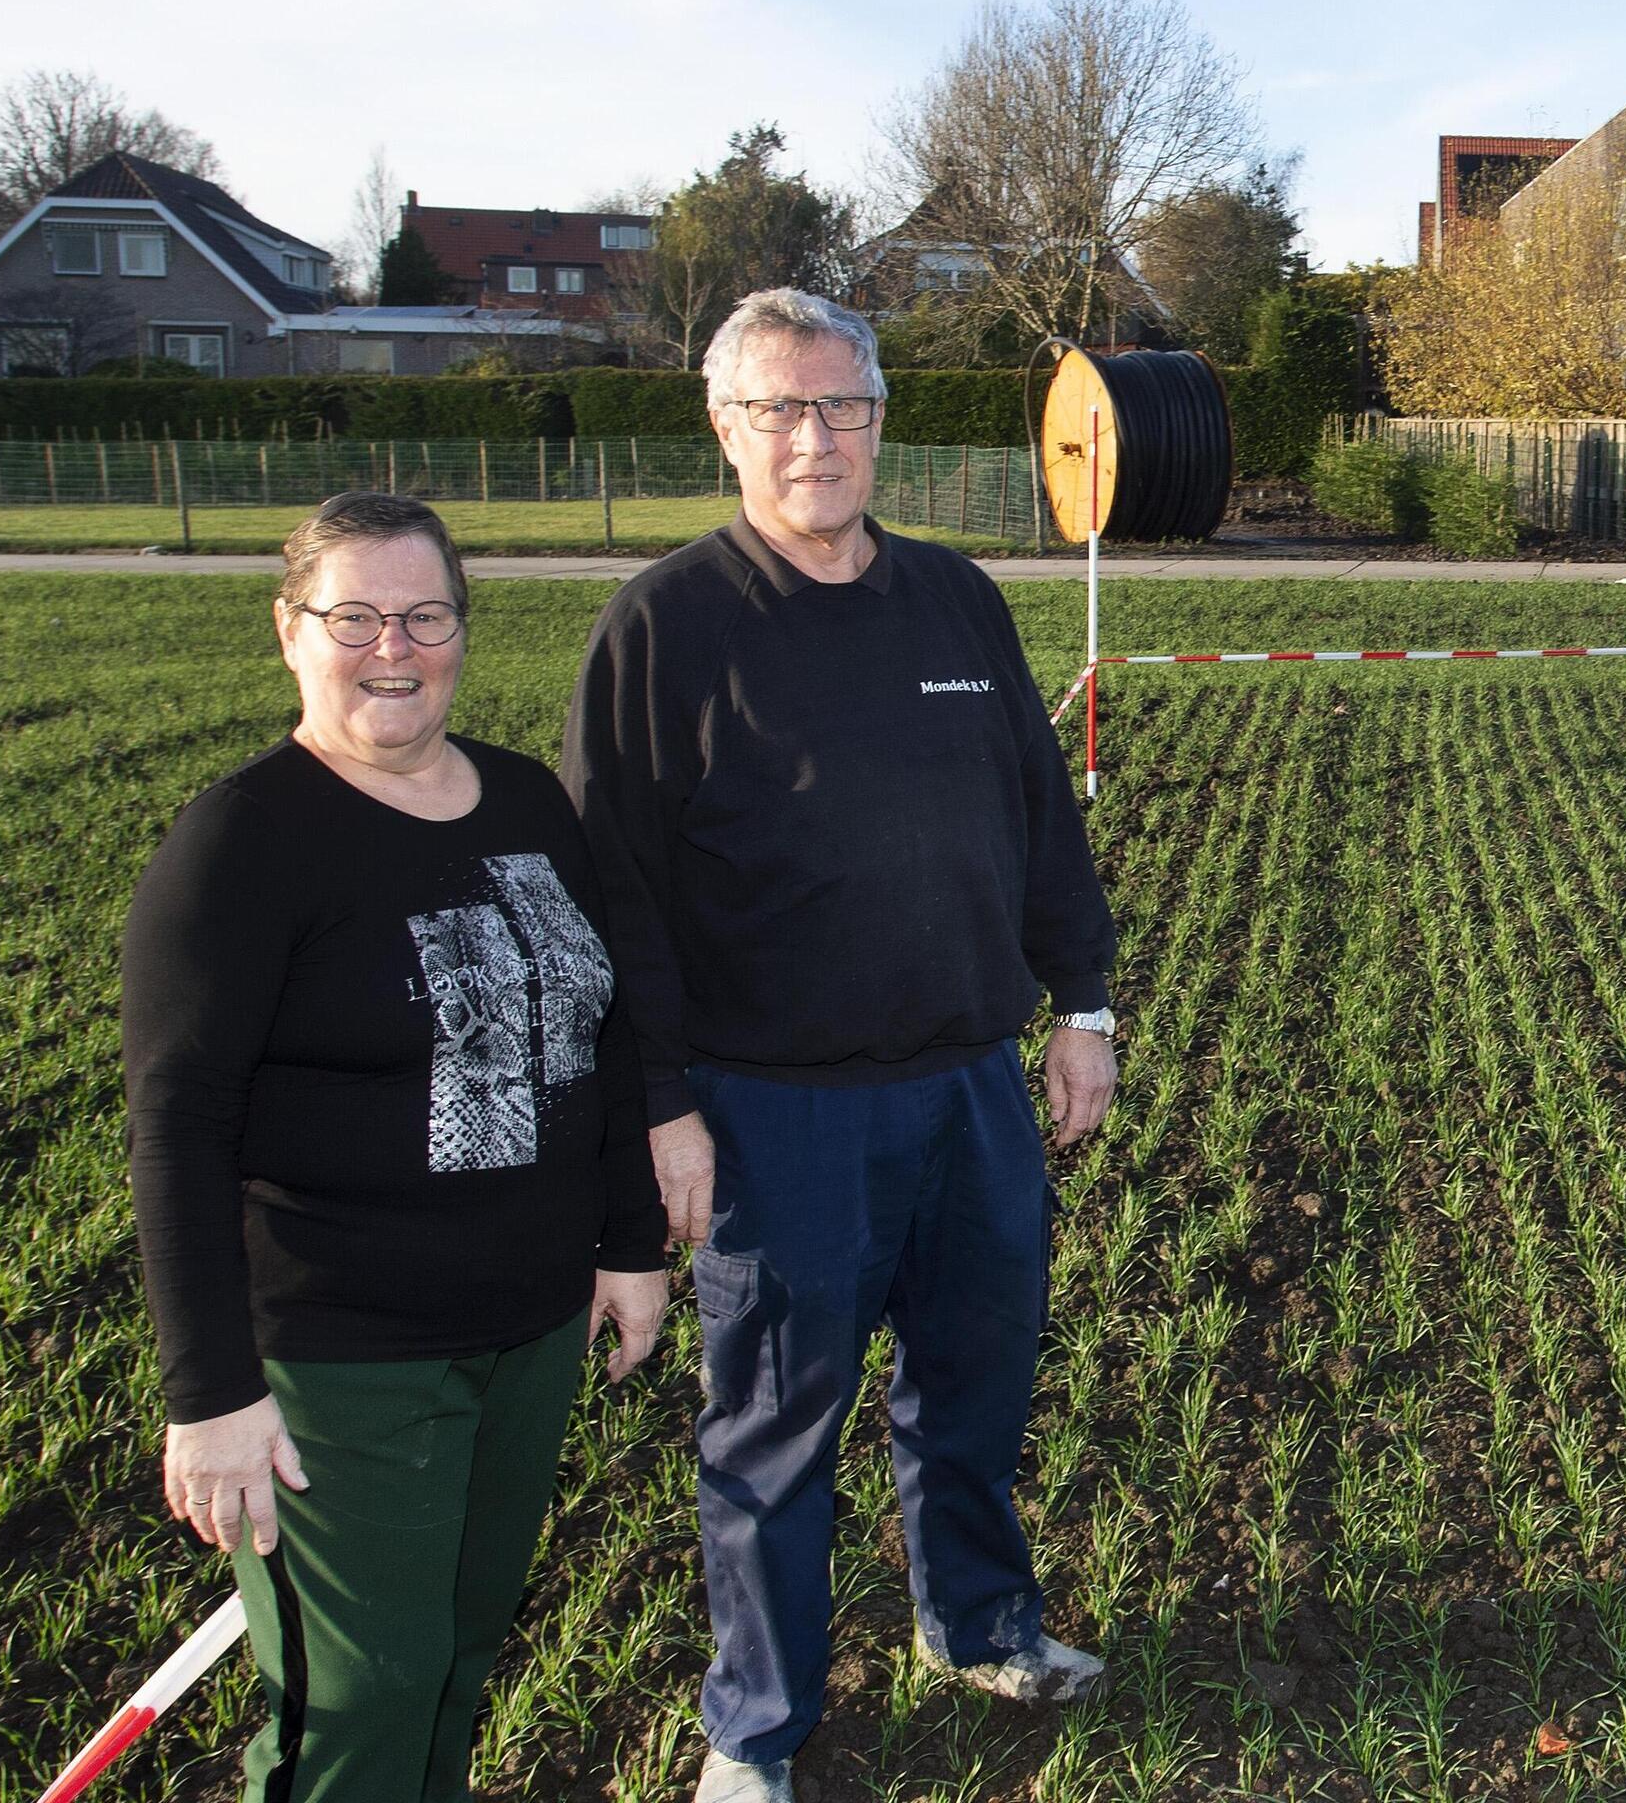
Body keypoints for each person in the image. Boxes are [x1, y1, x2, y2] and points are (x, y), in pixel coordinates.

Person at [565, 288, 1119, 1803]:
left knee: (976, 1384)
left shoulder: (956, 601)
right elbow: (616, 903)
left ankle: (982, 1623)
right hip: (775, 1115)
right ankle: (756, 1729)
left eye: (845, 407)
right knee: (771, 1439)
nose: (817, 438)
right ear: (727, 430)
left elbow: (1037, 819)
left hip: (969, 1092)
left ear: (881, 421)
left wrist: (1082, 1008)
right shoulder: (665, 629)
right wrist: (659, 1107)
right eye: (781, 411)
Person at [126, 491, 670, 1803]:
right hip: (342, 1359)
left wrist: (629, 1243)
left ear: (461, 632)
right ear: (289, 631)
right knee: (360, 1695)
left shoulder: (530, 803)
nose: (393, 647)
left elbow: (590, 1035)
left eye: (425, 616)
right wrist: (209, 1396)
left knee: (458, 1658)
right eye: (354, 616)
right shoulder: (245, 840)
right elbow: (179, 1125)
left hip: (528, 1334)